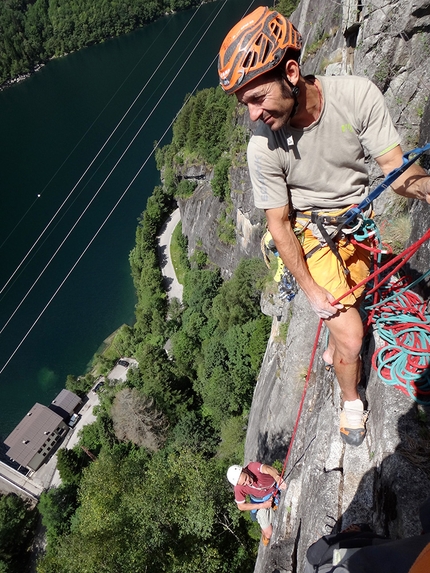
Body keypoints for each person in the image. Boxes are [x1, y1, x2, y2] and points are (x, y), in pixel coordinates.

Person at [218, 6, 430, 446]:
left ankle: (338, 352)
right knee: (352, 335)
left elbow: (397, 171)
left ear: (291, 72)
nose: (254, 115)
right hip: (311, 234)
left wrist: (427, 189)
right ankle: (351, 400)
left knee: (348, 326)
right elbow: (278, 225)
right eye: (246, 105)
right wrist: (312, 293)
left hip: (355, 222)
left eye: (258, 99)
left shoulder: (356, 95)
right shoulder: (263, 147)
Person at [227, 462, 287, 546]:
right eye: (243, 483)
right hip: (260, 501)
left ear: (245, 470)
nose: (247, 483)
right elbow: (241, 506)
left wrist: (277, 477)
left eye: (246, 478)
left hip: (273, 487)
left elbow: (267, 468)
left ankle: (273, 505)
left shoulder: (252, 467)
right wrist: (262, 506)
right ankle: (264, 534)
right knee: (269, 533)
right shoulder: (238, 487)